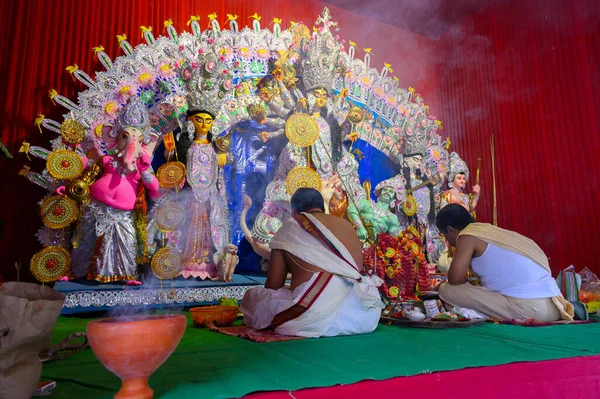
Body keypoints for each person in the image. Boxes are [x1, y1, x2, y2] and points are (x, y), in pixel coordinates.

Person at [240, 188, 383, 337]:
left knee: (254, 297)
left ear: (294, 211)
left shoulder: (291, 226)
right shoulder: (347, 224)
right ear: (321, 206)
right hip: (361, 313)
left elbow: (273, 286)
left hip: (312, 316)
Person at [435, 204, 574, 322]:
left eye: (445, 235)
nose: (447, 240)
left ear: (450, 230)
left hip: (530, 310)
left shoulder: (467, 236)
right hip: (555, 307)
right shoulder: (490, 231)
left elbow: (454, 279)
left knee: (446, 290)